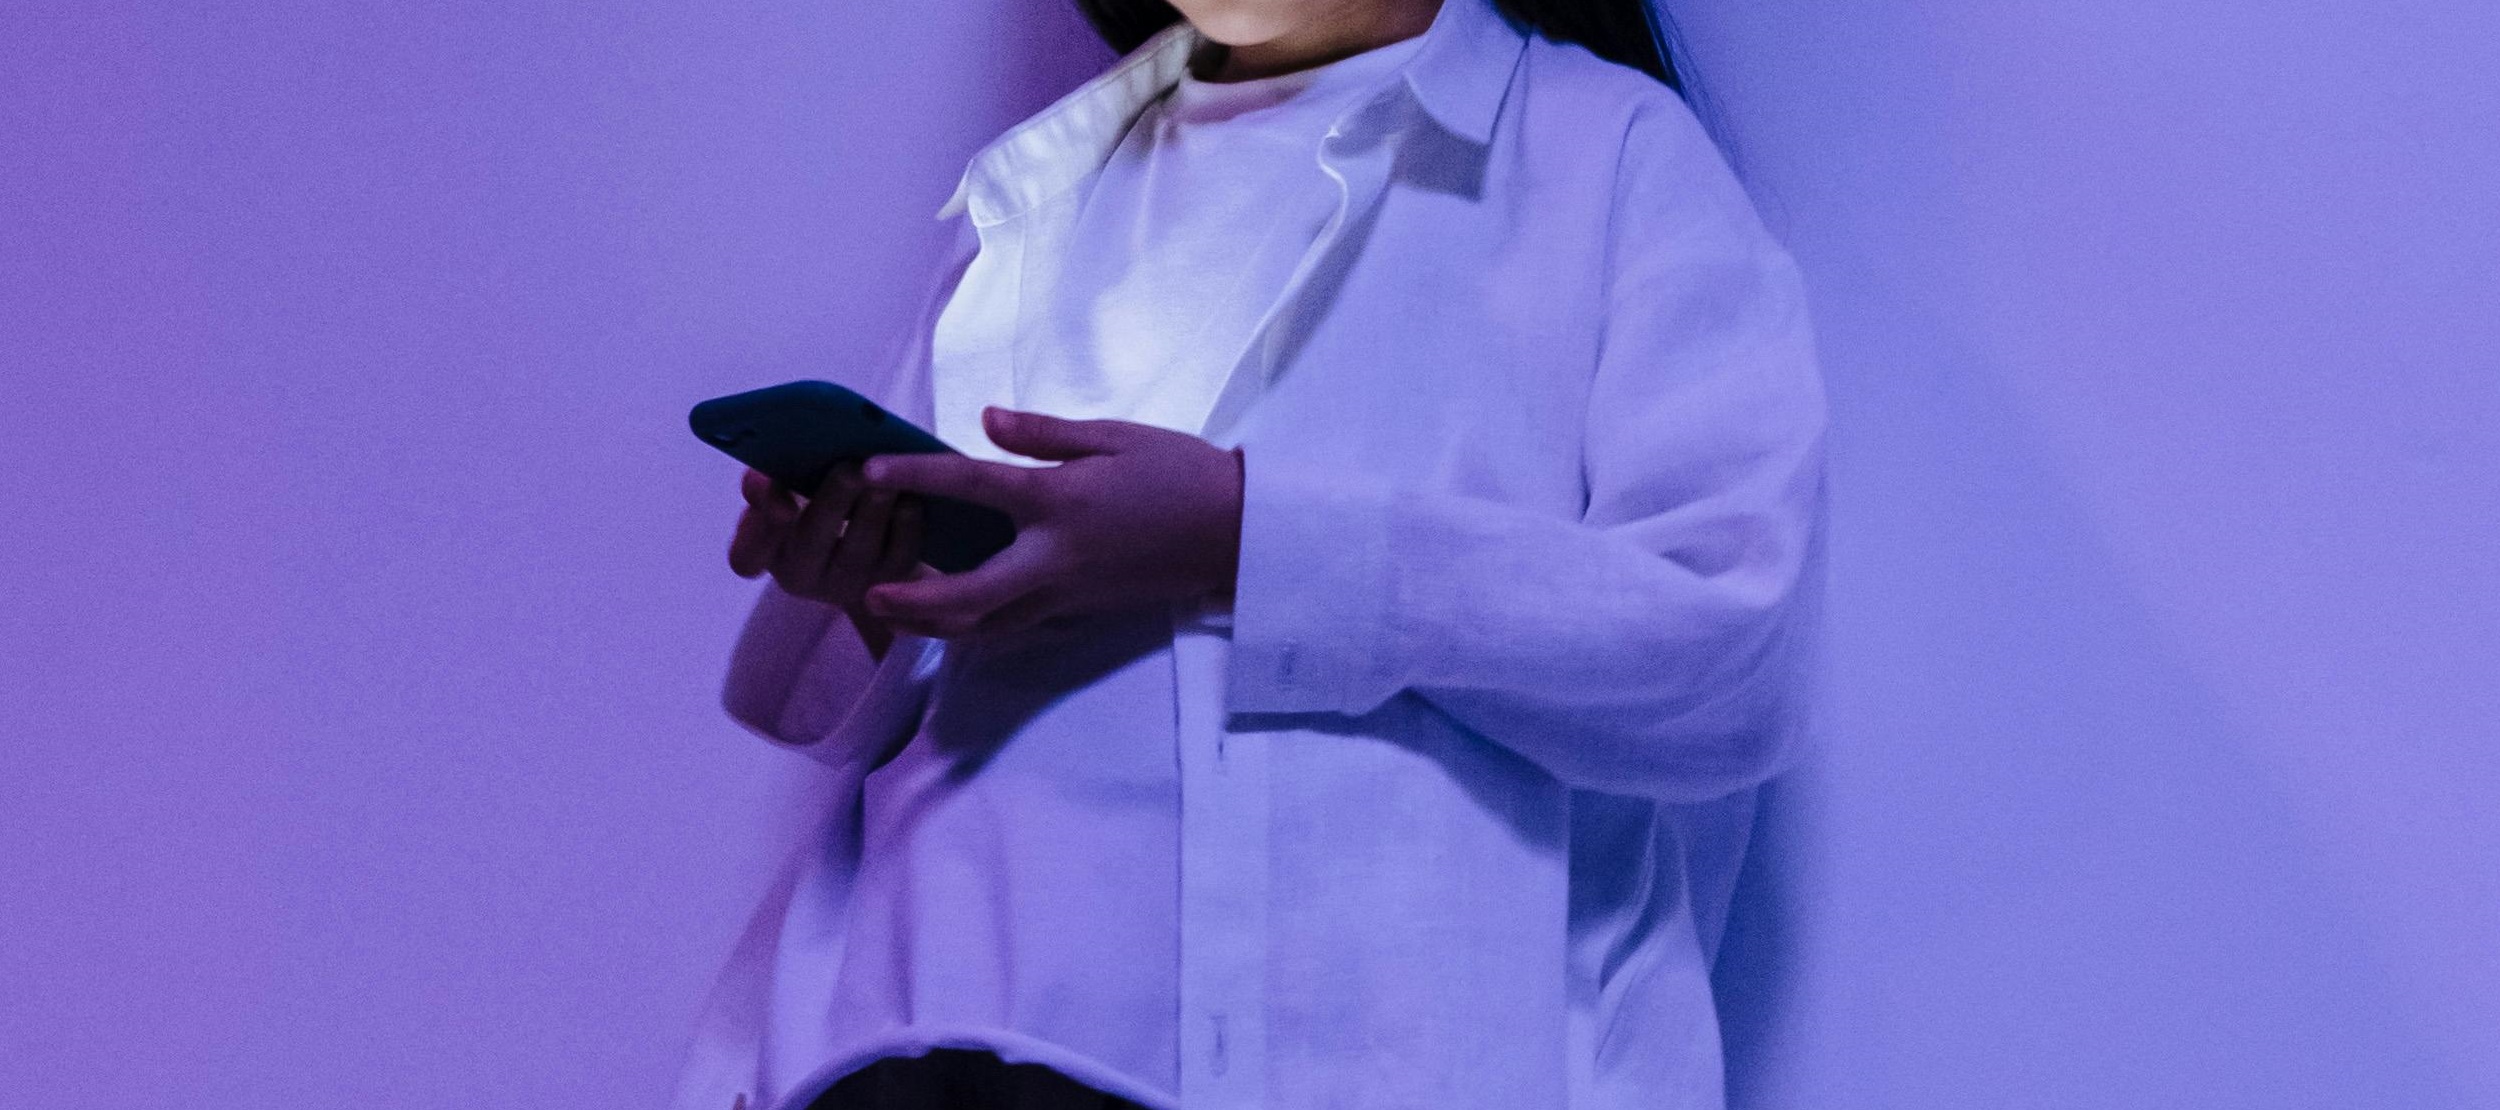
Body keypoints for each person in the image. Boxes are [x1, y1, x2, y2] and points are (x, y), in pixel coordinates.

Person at [671, 0, 1827, 1107]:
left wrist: (1241, 535)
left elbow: (1726, 652)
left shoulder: (1607, 157)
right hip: (891, 1048)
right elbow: (870, 715)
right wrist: (871, 585)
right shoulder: (1039, 192)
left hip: (1337, 1056)